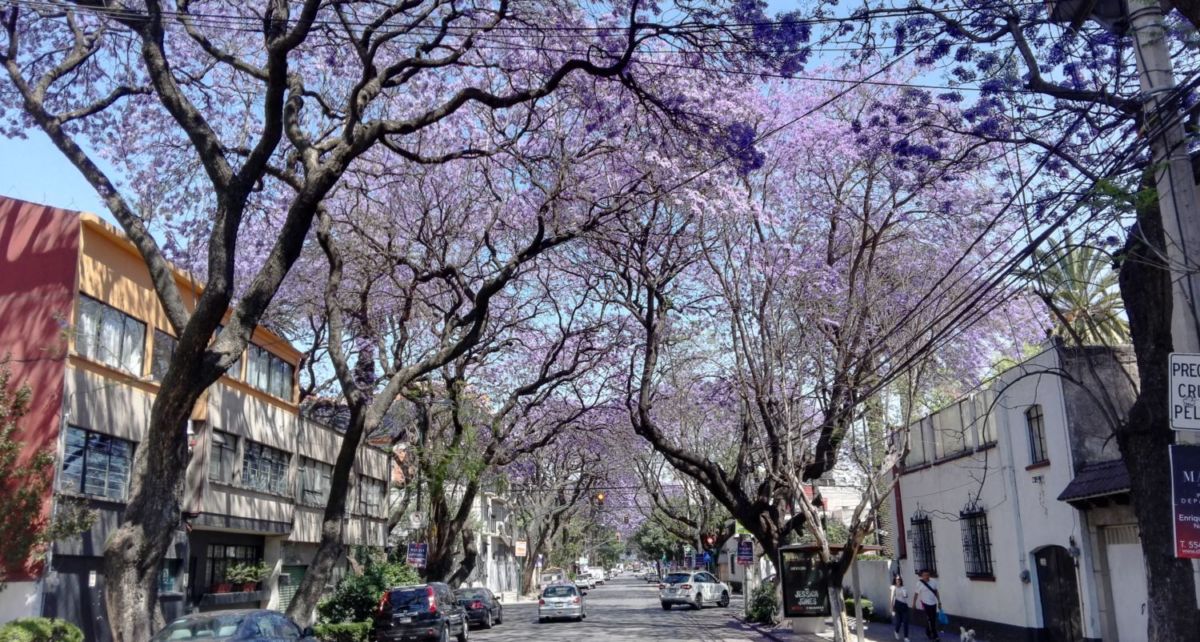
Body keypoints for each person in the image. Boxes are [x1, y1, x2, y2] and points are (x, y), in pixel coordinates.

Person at [912, 569, 940, 640]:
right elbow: (916, 594)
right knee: (929, 619)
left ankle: (928, 632)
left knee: (933, 619)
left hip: (933, 603)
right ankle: (935, 635)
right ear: (922, 576)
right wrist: (914, 603)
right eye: (924, 575)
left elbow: (936, 592)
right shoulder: (919, 583)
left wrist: (939, 602)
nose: (926, 576)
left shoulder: (933, 582)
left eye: (927, 575)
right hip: (925, 603)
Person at [890, 575, 910, 642]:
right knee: (899, 622)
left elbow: (906, 596)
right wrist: (891, 607)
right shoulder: (893, 587)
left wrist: (905, 594)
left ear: (901, 580)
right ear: (895, 580)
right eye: (897, 579)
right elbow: (892, 597)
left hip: (904, 606)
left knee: (905, 622)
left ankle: (906, 637)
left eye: (899, 579)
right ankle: (896, 631)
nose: (898, 580)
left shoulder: (903, 587)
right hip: (897, 606)